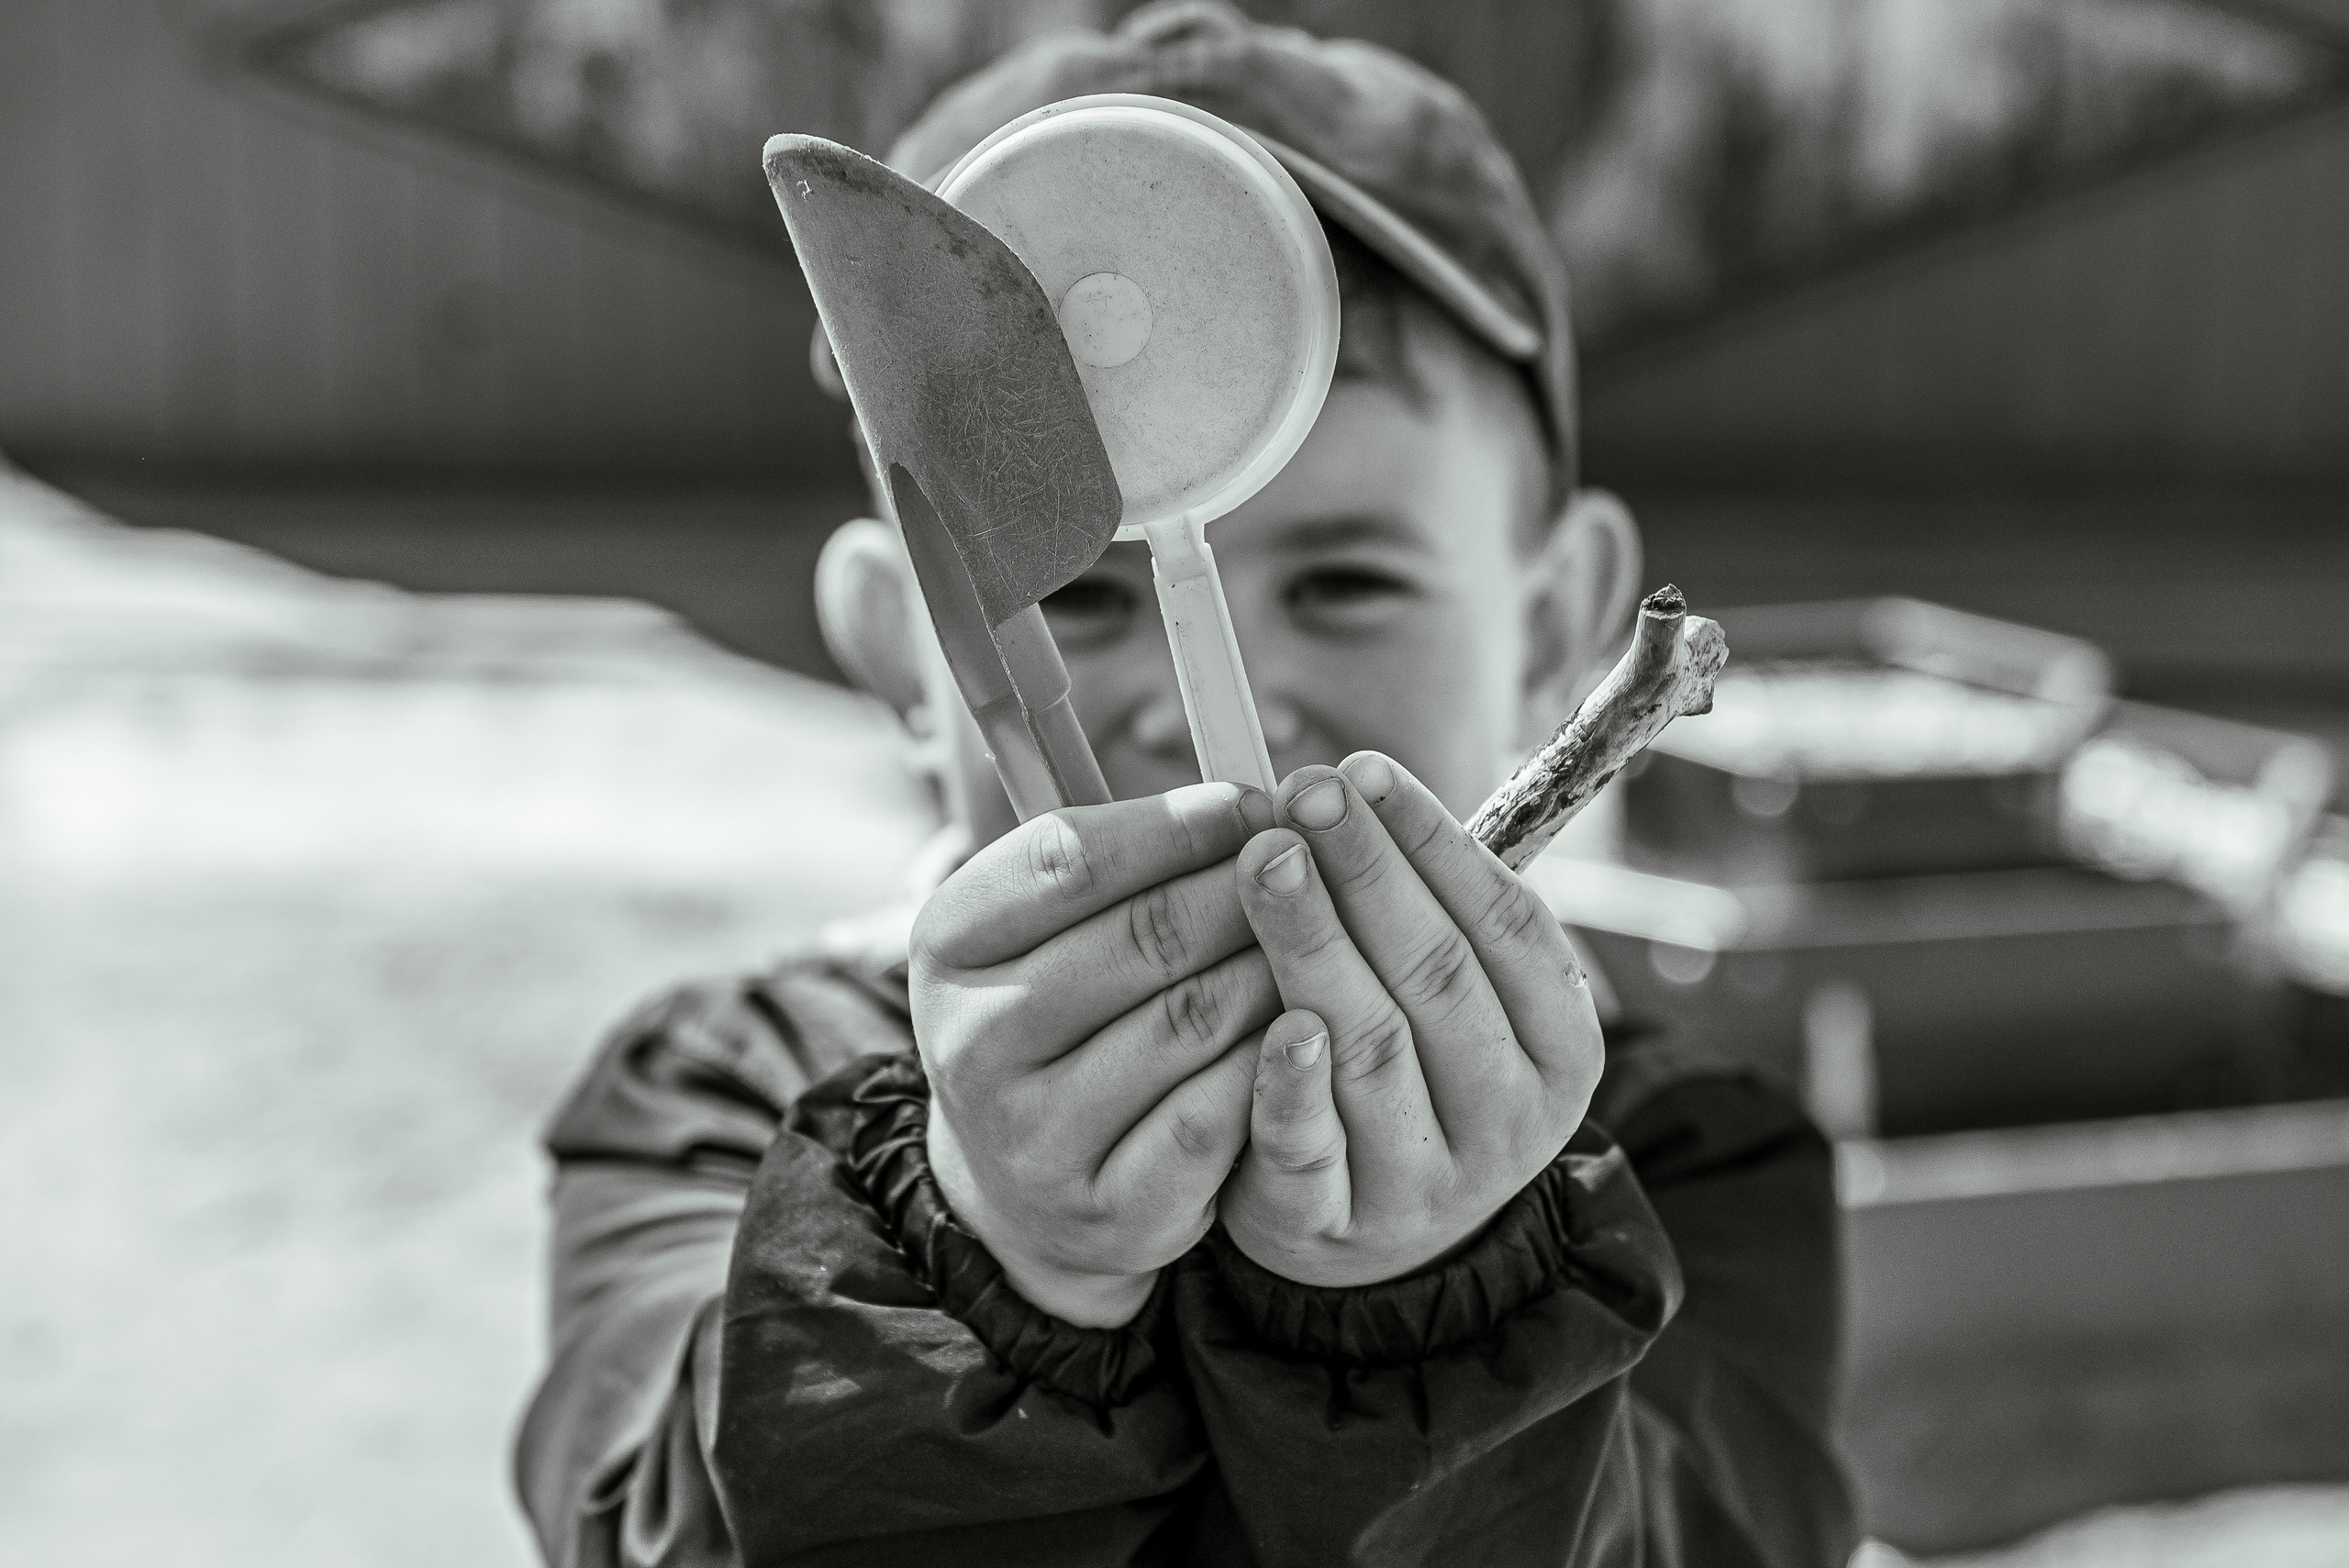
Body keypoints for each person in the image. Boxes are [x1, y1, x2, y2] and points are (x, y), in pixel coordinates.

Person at [515, 6, 1854, 1563]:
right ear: (899, 643)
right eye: (1075, 592)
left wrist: (1446, 1311)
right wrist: (974, 1258)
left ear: (1552, 625)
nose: (1215, 685)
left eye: (1350, 580)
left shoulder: (1688, 1157)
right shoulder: (715, 1103)